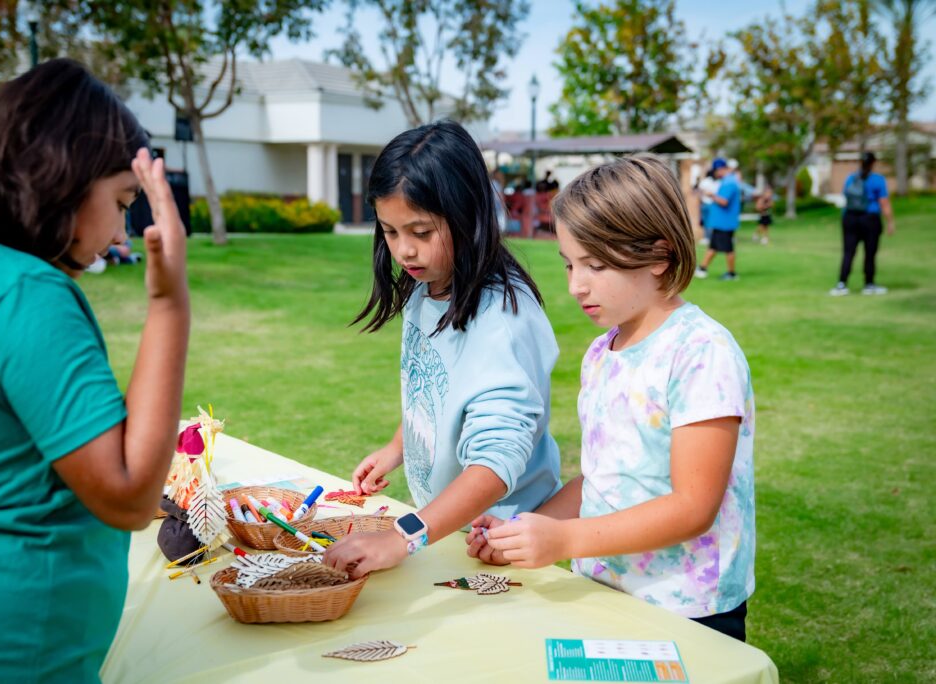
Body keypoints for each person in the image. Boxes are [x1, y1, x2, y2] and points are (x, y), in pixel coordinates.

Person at [0, 59, 190, 680]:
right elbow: (126, 494)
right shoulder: (24, 291)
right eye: (121, 200)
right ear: (65, 176)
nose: (121, 231)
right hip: (7, 652)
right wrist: (170, 301)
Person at [466, 154, 756, 642]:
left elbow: (693, 506)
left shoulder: (701, 353)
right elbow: (603, 478)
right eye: (569, 264)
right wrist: (523, 528)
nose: (577, 285)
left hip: (686, 607)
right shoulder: (602, 352)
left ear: (660, 256)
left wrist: (564, 540)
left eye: (596, 265)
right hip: (602, 589)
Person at [323, 120, 562, 579]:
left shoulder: (503, 320)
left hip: (501, 543)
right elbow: (436, 387)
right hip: (439, 532)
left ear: (468, 214)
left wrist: (401, 536)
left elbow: (495, 462)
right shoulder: (427, 287)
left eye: (421, 231)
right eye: (390, 232)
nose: (404, 252)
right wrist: (397, 446)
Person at [830, 151, 895, 296]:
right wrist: (890, 222)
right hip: (870, 219)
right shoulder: (878, 180)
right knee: (870, 252)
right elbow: (884, 203)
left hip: (850, 218)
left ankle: (842, 284)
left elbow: (845, 197)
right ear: (873, 163)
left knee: (848, 252)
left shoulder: (850, 178)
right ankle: (869, 284)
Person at [695, 158, 742, 281]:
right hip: (721, 221)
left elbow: (724, 201)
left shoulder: (729, 182)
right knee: (713, 247)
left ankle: (732, 274)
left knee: (728, 248)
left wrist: (711, 195)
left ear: (720, 169)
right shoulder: (728, 181)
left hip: (724, 222)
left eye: (715, 171)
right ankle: (702, 268)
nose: (715, 174)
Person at [696, 159, 724, 245]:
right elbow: (700, 192)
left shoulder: (718, 182)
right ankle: (707, 238)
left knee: (710, 222)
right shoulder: (708, 181)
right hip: (706, 204)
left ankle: (709, 238)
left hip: (712, 204)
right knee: (706, 222)